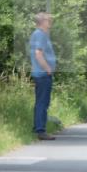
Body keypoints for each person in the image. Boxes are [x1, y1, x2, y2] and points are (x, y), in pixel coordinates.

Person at [29, 12, 57, 140]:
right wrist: (48, 69)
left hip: (40, 73)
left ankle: (37, 127)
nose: (50, 21)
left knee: (40, 101)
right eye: (48, 19)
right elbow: (38, 54)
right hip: (43, 74)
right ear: (42, 21)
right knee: (43, 102)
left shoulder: (40, 34)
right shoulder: (40, 35)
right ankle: (41, 130)